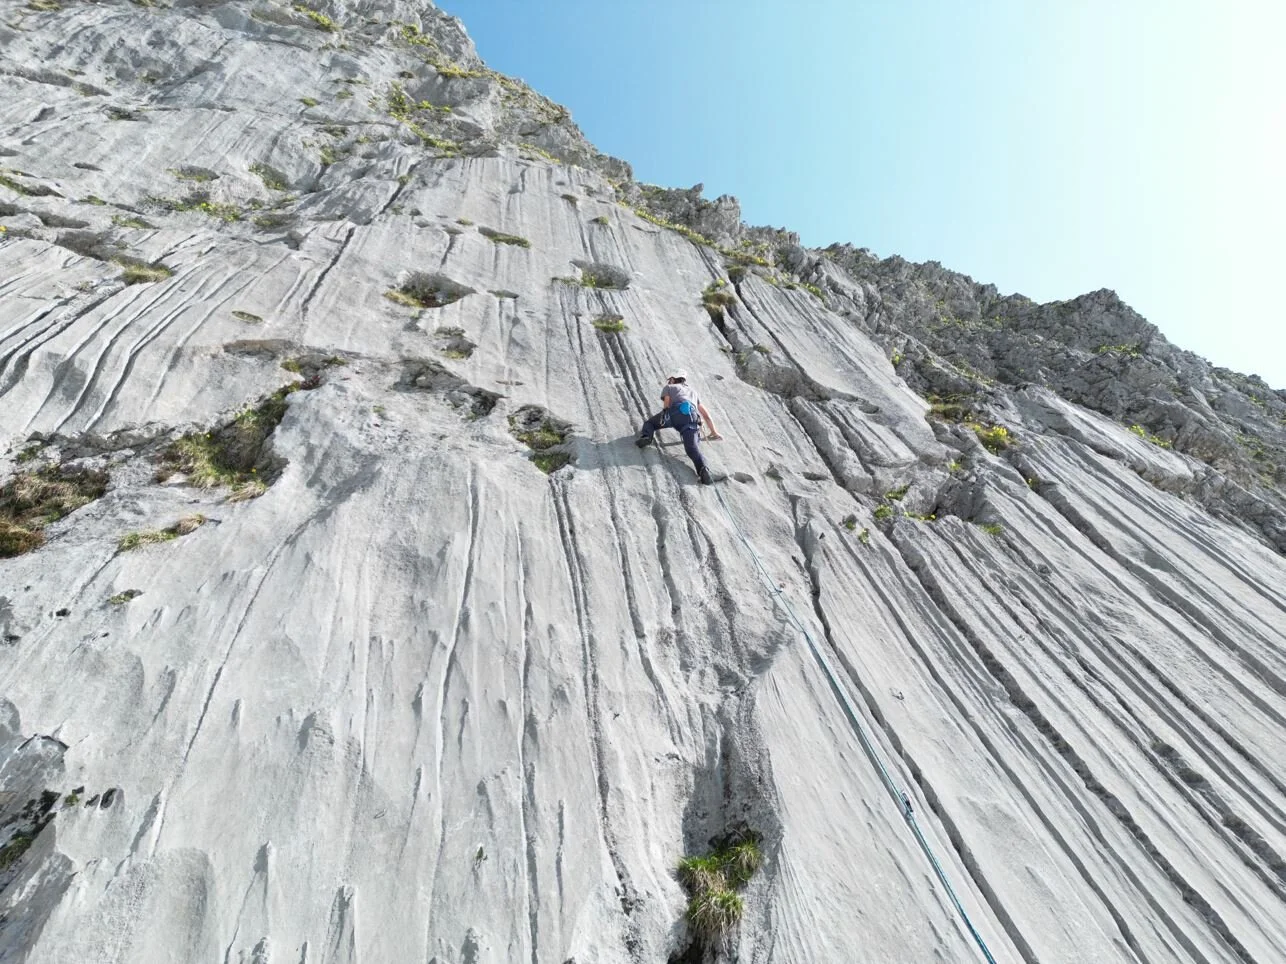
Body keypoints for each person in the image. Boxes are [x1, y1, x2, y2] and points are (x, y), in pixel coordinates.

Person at [635, 369, 723, 484]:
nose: (669, 381)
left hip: (674, 414)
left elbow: (667, 403)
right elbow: (706, 415)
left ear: (672, 378)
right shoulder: (693, 392)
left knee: (650, 423)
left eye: (669, 379)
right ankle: (703, 470)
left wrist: (665, 414)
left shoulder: (669, 387)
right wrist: (714, 432)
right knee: (692, 449)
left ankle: (647, 437)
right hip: (691, 419)